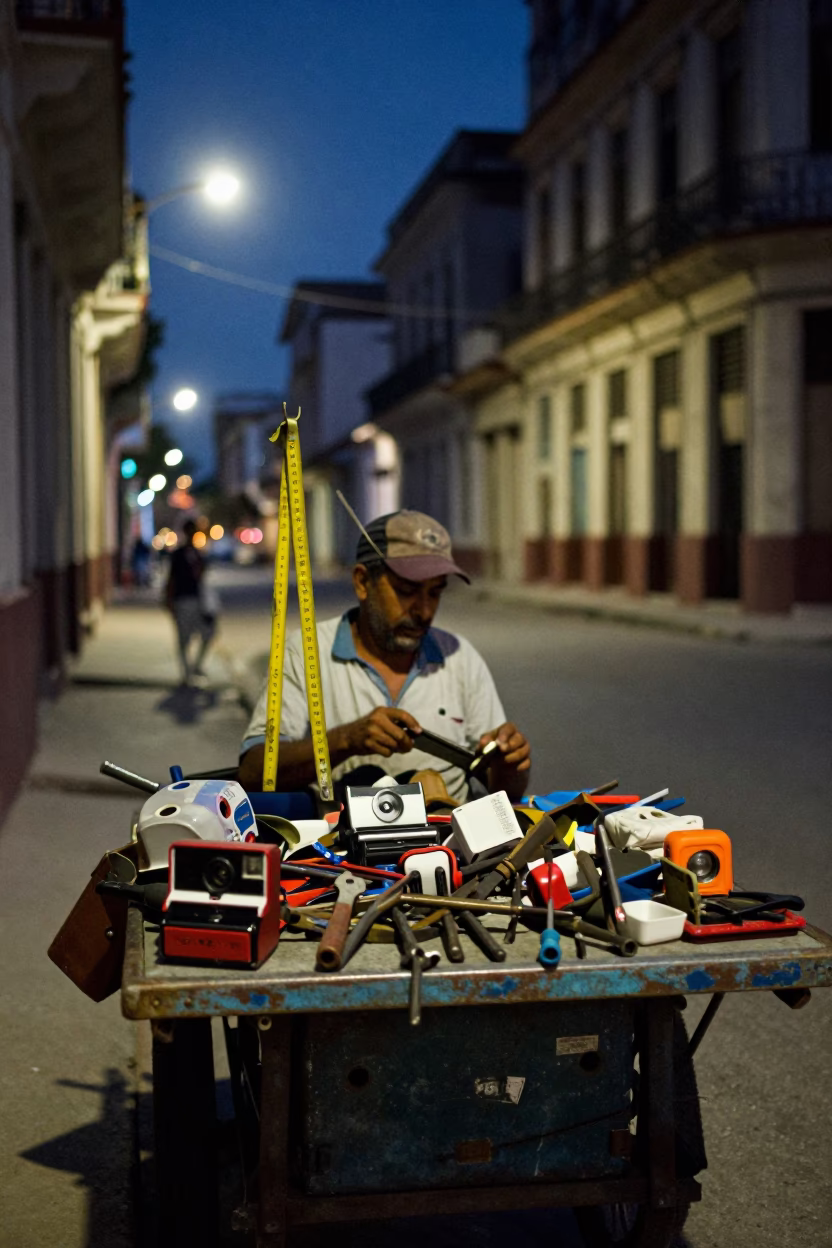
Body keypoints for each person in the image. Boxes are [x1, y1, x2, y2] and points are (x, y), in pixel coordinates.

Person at [237, 509, 530, 803]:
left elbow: (505, 792)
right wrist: (345, 740)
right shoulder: (305, 652)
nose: (425, 611)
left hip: (449, 842)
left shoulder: (459, 656)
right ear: (363, 582)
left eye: (435, 593)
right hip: (344, 840)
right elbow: (253, 771)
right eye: (406, 591)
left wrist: (510, 763)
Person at [165, 520, 217, 685]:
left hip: (198, 600)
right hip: (182, 599)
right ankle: (186, 673)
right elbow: (171, 579)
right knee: (183, 638)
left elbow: (202, 576)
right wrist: (169, 601)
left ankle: (196, 666)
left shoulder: (198, 553)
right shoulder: (179, 554)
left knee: (208, 633)